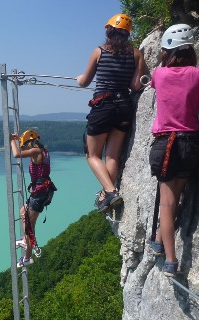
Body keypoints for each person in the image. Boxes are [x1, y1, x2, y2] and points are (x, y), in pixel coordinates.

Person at [77, 13, 145, 213]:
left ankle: (111, 192)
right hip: (124, 106)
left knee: (92, 155)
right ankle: (106, 194)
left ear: (108, 31)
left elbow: (85, 82)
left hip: (103, 106)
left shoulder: (99, 51)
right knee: (112, 155)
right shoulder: (136, 54)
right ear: (127, 34)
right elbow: (135, 85)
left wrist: (78, 78)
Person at [147, 24, 199, 277]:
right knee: (175, 197)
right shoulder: (197, 75)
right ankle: (158, 239)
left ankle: (170, 260)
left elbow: (152, 83)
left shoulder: (159, 74)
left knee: (167, 204)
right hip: (191, 143)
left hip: (166, 142)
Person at [10, 130, 56, 268]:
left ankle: (28, 257)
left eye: (24, 146)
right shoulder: (42, 150)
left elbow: (17, 154)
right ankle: (25, 240)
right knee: (23, 212)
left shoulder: (36, 151)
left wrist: (11, 140)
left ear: (29, 143)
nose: (24, 149)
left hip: (39, 192)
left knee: (30, 227)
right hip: (40, 190)